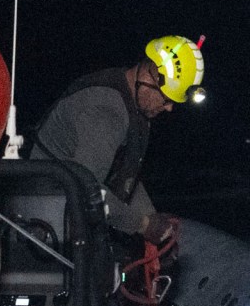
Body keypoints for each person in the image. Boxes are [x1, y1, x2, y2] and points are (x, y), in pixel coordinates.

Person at [32, 35, 206, 243]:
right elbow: (87, 189)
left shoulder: (131, 101)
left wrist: (153, 218)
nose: (169, 108)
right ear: (150, 78)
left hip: (67, 213)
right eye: (167, 99)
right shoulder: (107, 113)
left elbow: (122, 173)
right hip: (47, 223)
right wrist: (143, 224)